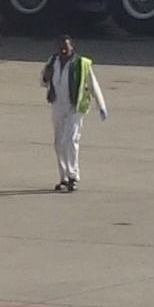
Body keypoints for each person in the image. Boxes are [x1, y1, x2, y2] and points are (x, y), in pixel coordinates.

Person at [39, 38, 105, 193]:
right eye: (60, 47)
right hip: (57, 106)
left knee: (70, 140)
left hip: (74, 107)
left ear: (72, 48)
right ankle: (63, 177)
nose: (63, 50)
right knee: (59, 143)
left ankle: (73, 176)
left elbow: (93, 84)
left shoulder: (81, 64)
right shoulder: (52, 61)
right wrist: (45, 77)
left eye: (66, 47)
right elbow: (43, 82)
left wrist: (101, 105)